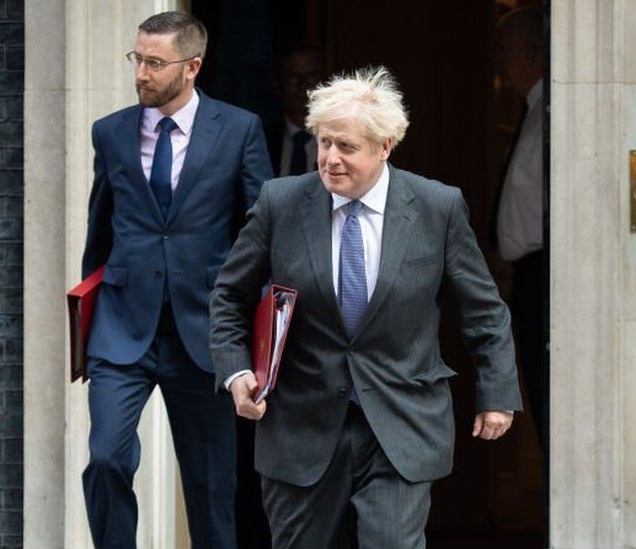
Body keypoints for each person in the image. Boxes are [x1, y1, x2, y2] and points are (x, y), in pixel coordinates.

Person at [210, 66, 522, 548]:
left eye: (347, 147)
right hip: (302, 426)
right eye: (324, 143)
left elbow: (484, 309)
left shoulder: (436, 208)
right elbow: (229, 295)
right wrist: (236, 373)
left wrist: (497, 392)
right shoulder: (282, 202)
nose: (330, 159)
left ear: (386, 146)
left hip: (401, 419)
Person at [80, 11, 273, 549]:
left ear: (192, 67)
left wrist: (257, 344)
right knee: (105, 459)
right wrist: (86, 325)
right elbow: (98, 236)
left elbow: (263, 238)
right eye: (136, 58)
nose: (140, 72)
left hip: (206, 333)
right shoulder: (111, 133)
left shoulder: (239, 130)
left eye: (154, 63)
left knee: (211, 487)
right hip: (122, 331)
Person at [495, 5, 547, 453]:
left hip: (547, 277)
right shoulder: (532, 110)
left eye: (505, 54)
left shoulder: (553, 114)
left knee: (549, 402)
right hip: (528, 278)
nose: (500, 68)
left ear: (530, 52)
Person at [264, 44, 326, 177]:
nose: (302, 84)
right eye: (293, 76)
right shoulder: (262, 140)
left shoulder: (340, 138)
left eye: (311, 76)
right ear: (278, 83)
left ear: (324, 82)